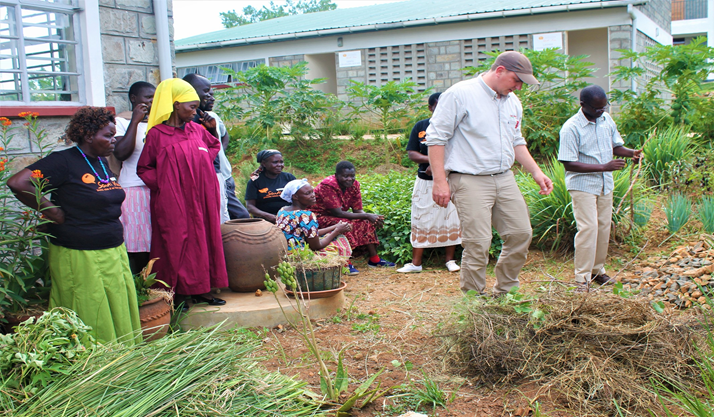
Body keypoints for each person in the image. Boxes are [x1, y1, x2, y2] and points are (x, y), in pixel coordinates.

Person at [7, 107, 141, 345]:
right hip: (80, 252)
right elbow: (19, 183)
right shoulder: (63, 162)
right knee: (90, 307)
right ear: (89, 135)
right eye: (108, 136)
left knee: (116, 305)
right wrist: (53, 211)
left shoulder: (99, 161)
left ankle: (122, 359)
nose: (114, 141)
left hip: (112, 249)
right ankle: (92, 362)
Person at [426, 51, 554, 295]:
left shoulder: (512, 102)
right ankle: (474, 302)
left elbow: (516, 141)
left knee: (520, 233)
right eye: (516, 80)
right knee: (478, 242)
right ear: (500, 71)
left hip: (504, 177)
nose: (518, 87)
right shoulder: (460, 94)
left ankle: (505, 292)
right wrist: (440, 182)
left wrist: (537, 172)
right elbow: (436, 138)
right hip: (469, 179)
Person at [137, 78, 227, 307]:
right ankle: (177, 293)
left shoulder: (197, 129)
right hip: (173, 200)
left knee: (205, 238)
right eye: (192, 107)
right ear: (176, 104)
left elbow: (214, 146)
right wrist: (166, 186)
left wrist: (200, 169)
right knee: (176, 241)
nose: (195, 111)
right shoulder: (157, 135)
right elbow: (144, 168)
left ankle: (202, 289)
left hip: (202, 197)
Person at [558, 85, 642, 288]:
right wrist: (604, 166)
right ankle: (582, 278)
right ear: (583, 105)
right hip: (583, 184)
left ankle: (598, 271)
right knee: (589, 228)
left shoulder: (606, 120)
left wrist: (631, 153)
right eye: (597, 108)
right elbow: (568, 163)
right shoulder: (571, 128)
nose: (601, 111)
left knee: (604, 227)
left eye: (604, 107)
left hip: (605, 183)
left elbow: (615, 146)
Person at [398, 92, 462, 274]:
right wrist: (432, 161)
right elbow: (412, 154)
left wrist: (440, 165)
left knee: (451, 218)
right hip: (425, 182)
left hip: (450, 179)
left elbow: (461, 152)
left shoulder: (457, 127)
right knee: (421, 217)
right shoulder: (421, 126)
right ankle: (416, 263)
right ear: (431, 108)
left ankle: (450, 261)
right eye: (438, 105)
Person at [183, 73, 250, 220]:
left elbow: (222, 136)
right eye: (206, 91)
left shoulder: (209, 116)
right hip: (208, 177)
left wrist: (220, 151)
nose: (210, 97)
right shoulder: (189, 121)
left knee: (227, 216)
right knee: (235, 216)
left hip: (223, 175)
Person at [312, 161, 395, 275]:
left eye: (352, 176)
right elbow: (338, 213)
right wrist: (367, 215)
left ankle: (374, 259)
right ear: (337, 176)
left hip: (337, 215)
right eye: (345, 176)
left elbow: (357, 210)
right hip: (319, 216)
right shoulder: (328, 185)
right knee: (345, 224)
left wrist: (371, 218)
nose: (349, 179)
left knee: (365, 221)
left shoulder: (355, 185)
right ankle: (345, 262)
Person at [114, 81, 155, 275]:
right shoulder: (121, 122)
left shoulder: (159, 121)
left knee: (155, 240)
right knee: (136, 242)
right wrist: (135, 121)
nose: (152, 101)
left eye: (155, 97)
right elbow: (121, 153)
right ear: (133, 99)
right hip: (134, 188)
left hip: (156, 187)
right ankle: (138, 286)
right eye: (148, 97)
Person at [276, 178, 353, 258]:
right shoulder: (306, 215)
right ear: (295, 197)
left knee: (329, 236)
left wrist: (335, 226)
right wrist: (337, 231)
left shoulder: (283, 210)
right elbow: (316, 246)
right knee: (340, 240)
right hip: (299, 255)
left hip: (285, 252)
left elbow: (311, 233)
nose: (313, 195)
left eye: (312, 191)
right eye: (307, 193)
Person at [245, 149, 296, 223]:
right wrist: (269, 217)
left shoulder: (289, 178)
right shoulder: (255, 181)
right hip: (265, 221)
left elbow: (299, 199)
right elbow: (250, 206)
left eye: (281, 162)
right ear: (264, 164)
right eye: (275, 162)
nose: (279, 165)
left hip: (289, 217)